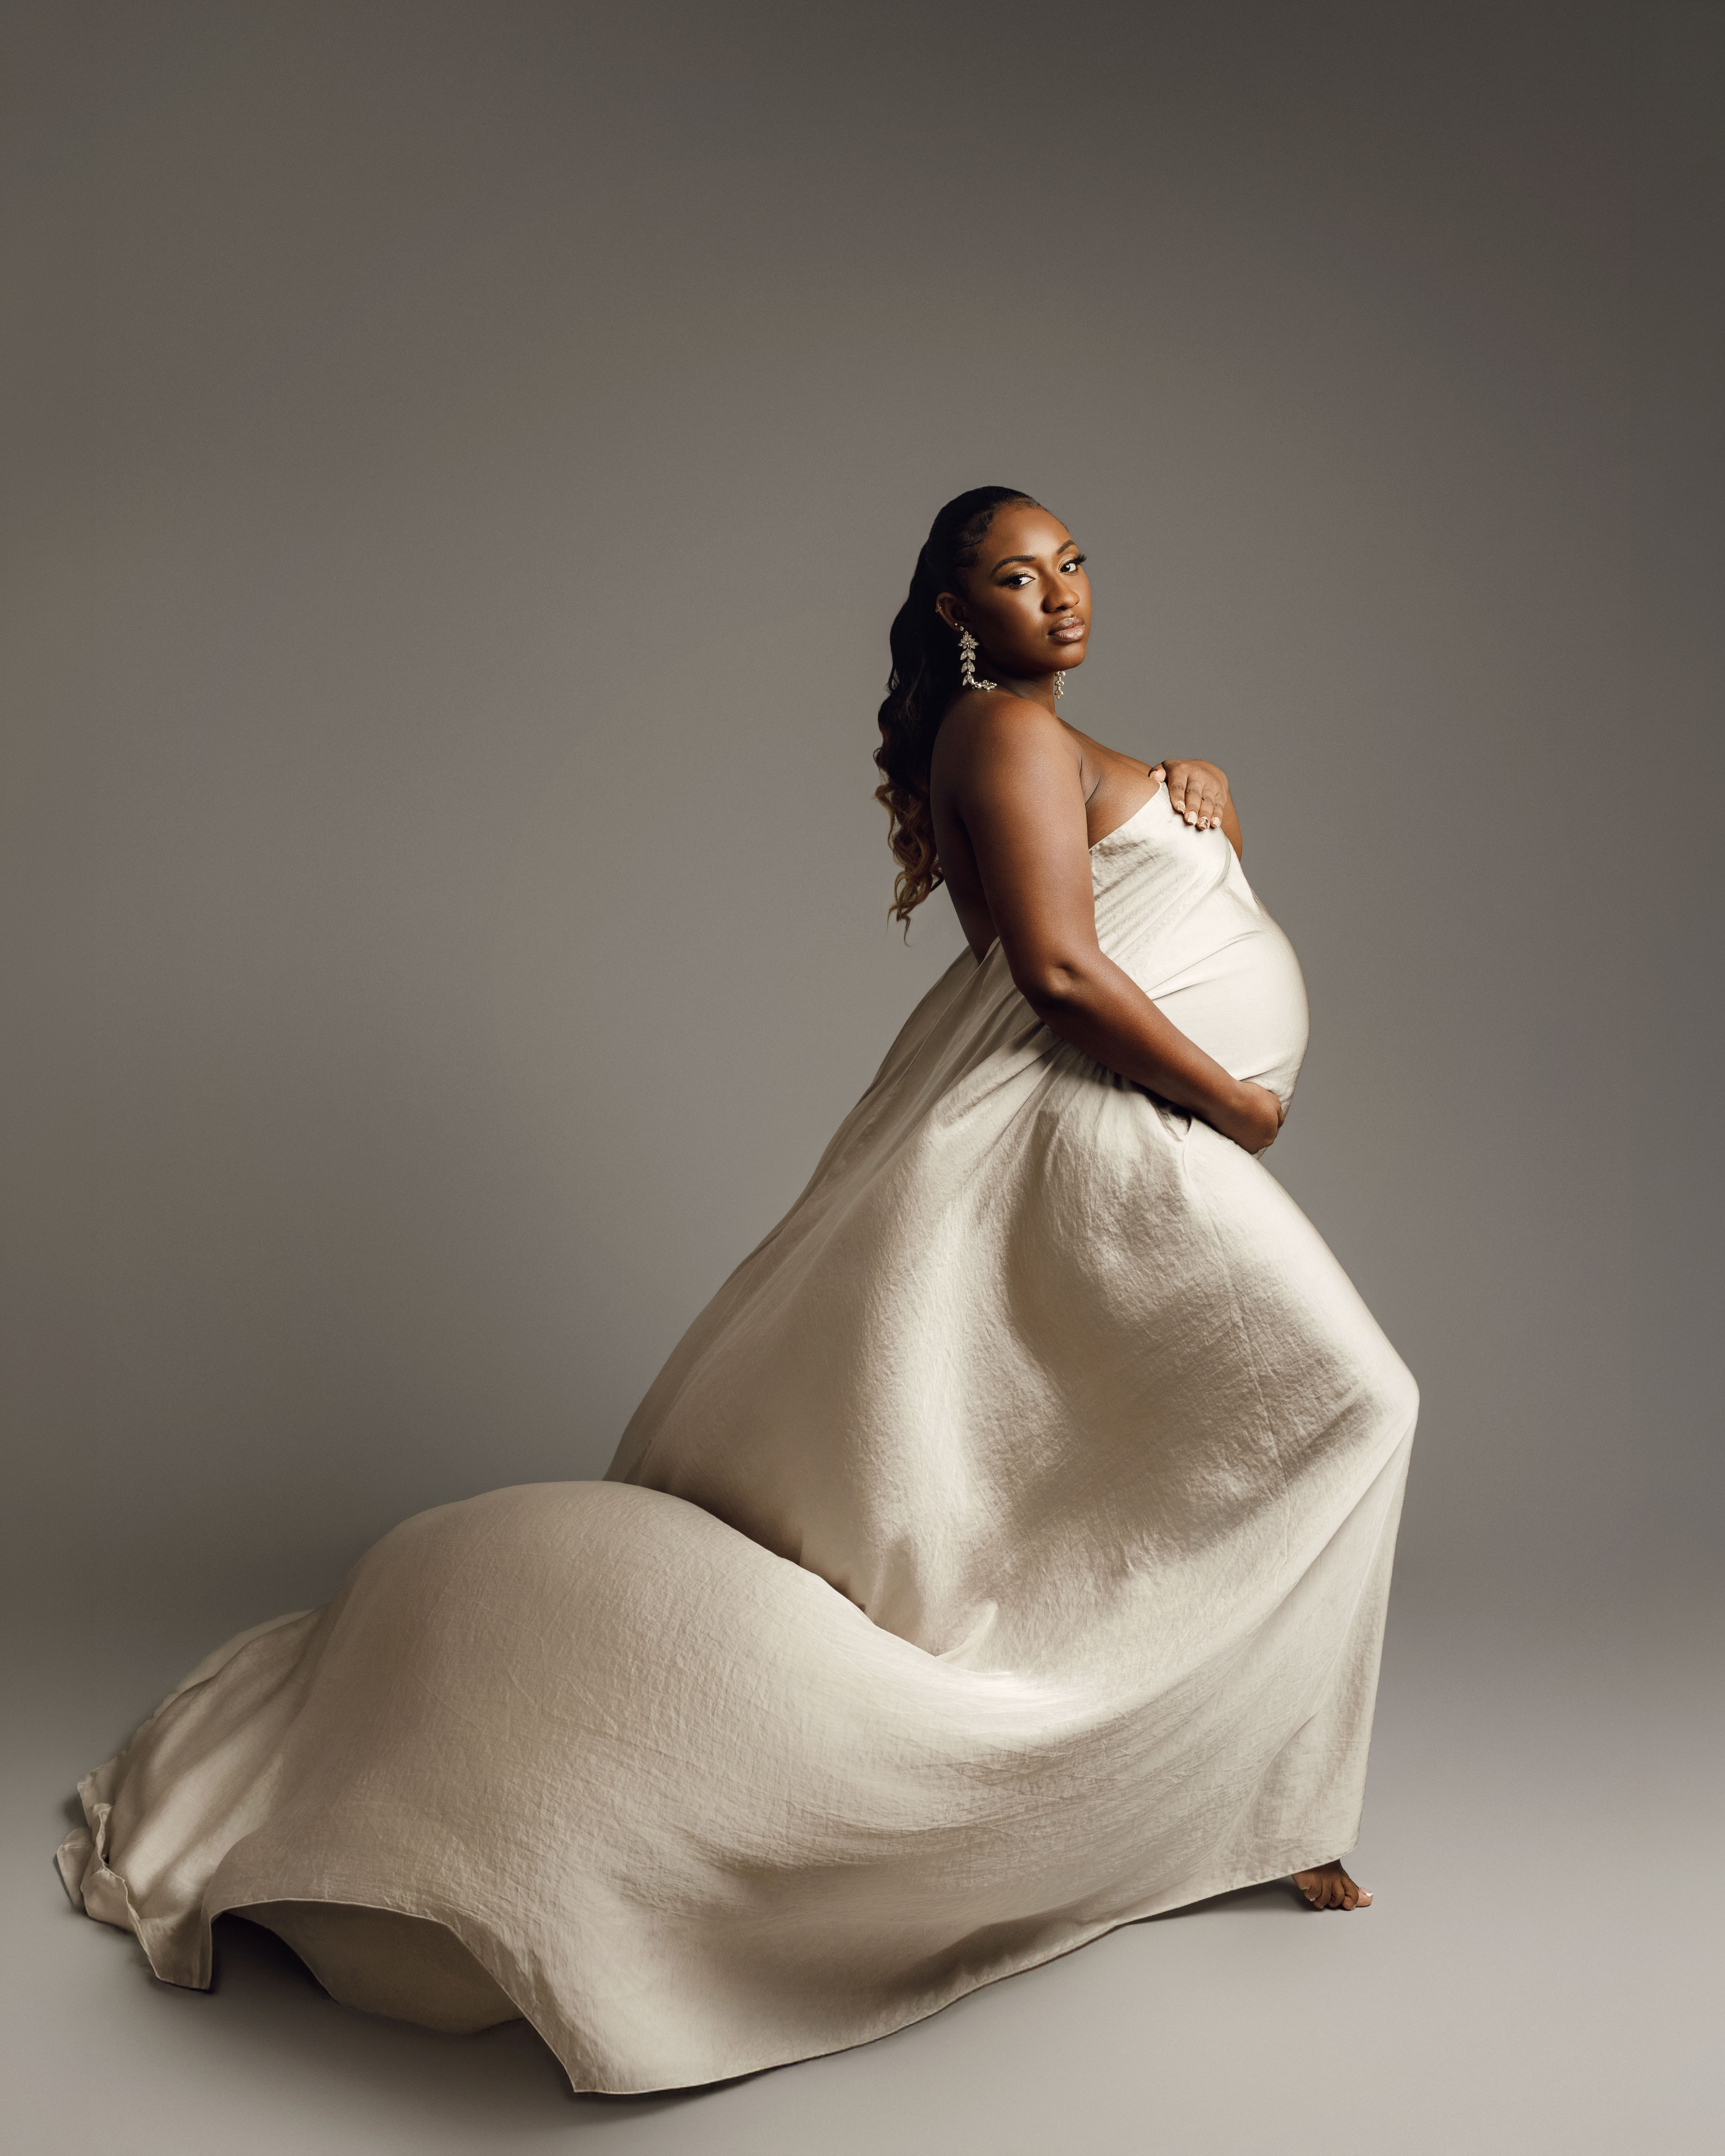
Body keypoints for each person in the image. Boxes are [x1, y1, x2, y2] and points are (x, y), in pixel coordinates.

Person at [58, 487, 1417, 2094]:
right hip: (1100, 1142)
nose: (1056, 596)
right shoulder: (995, 740)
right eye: (1011, 577)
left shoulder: (1061, 747)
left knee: (1127, 1471)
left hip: (1109, 1136)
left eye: (1072, 564)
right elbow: (1048, 969)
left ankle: (1252, 1803)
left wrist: (1195, 800)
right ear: (949, 618)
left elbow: (1102, 898)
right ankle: (1141, 1799)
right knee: (1345, 1406)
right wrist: (1238, 1100)